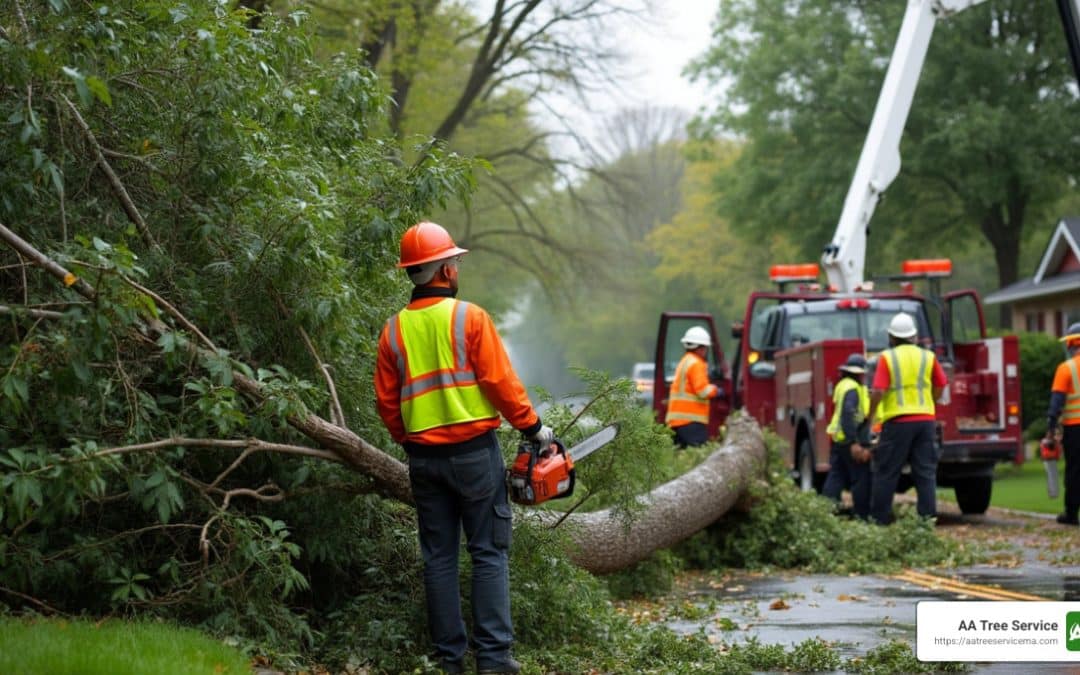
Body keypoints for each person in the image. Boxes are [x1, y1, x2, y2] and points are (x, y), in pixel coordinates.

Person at [375, 221, 550, 675]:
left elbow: (387, 403)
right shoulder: (470, 318)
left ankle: (448, 662)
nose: (456, 268)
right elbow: (500, 383)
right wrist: (533, 428)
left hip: (423, 460)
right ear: (445, 270)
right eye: (454, 262)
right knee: (488, 551)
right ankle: (492, 660)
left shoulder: (393, 331)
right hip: (474, 455)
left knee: (438, 557)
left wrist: (408, 439)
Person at [865, 312, 948, 525]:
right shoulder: (928, 357)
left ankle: (879, 522)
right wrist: (930, 401)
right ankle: (926, 524)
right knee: (925, 474)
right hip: (925, 421)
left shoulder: (888, 357)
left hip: (897, 422)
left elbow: (878, 391)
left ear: (891, 337)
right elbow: (941, 384)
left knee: (886, 473)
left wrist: (870, 416)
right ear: (914, 336)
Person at [821, 353, 872, 518]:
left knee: (836, 477)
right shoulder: (852, 389)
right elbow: (848, 414)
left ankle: (826, 513)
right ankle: (861, 516)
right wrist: (854, 442)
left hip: (840, 439)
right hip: (850, 439)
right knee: (861, 478)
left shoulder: (843, 385)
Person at [1045, 322, 1080, 526]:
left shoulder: (1066, 368)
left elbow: (1056, 403)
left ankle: (1071, 513)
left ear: (1071, 344)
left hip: (1075, 428)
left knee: (1075, 470)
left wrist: (1051, 428)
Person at [665, 325, 721, 448]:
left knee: (682, 456)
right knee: (700, 454)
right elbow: (703, 391)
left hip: (676, 421)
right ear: (700, 348)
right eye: (705, 348)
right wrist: (716, 390)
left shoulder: (685, 361)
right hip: (691, 421)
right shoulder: (696, 364)